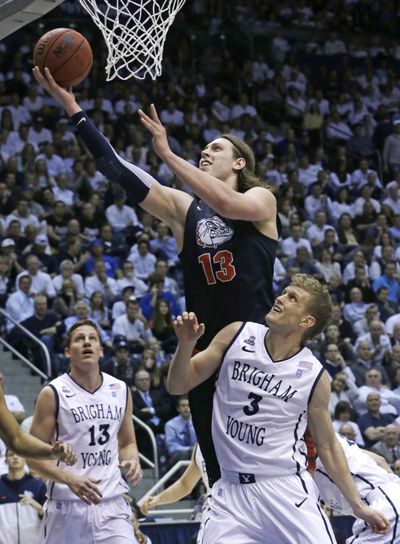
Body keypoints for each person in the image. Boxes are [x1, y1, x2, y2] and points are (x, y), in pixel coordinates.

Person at [33, 67, 280, 487]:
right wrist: (73, 108)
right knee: (220, 467)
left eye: (215, 149)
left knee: (270, 457)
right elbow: (117, 169)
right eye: (202, 149)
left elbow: (225, 201)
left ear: (239, 161)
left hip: (257, 346)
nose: (206, 152)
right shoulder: (186, 210)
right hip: (202, 349)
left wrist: (169, 156)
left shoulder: (260, 199)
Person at [167, 275, 389, 541]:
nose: (281, 298)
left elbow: (327, 446)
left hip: (284, 489)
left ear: (306, 322)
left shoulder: (314, 376)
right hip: (230, 493)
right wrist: (186, 344)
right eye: (284, 292)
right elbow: (178, 385)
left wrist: (357, 505)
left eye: (293, 298)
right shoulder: (236, 334)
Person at [28, 319, 143, 544]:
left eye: (92, 338)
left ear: (101, 350)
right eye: (80, 339)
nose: (87, 342)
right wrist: (68, 478)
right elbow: (32, 458)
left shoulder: (120, 389)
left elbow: (128, 442)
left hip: (112, 505)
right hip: (66, 508)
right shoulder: (53, 393)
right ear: (68, 352)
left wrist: (132, 460)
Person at [315, 433, 400, 544]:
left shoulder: (309, 438)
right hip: (391, 496)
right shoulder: (334, 439)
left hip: (383, 504)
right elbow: (380, 460)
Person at [140, 443, 209, 544]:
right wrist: (158, 499)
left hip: (237, 514)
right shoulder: (201, 446)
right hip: (211, 519)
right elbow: (184, 484)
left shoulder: (236, 440)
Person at [0, 448, 47, 544]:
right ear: (5, 460)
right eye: (11, 454)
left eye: (19, 454)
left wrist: (38, 507)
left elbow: (50, 518)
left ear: (25, 459)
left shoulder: (38, 485)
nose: (15, 457)